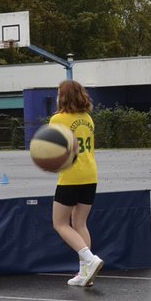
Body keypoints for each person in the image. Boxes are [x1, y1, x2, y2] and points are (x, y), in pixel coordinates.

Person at [49, 80, 103, 287]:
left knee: (59, 223)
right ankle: (85, 273)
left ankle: (89, 259)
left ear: (62, 97)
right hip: (90, 174)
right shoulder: (87, 118)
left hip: (71, 176)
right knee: (80, 223)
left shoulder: (57, 119)